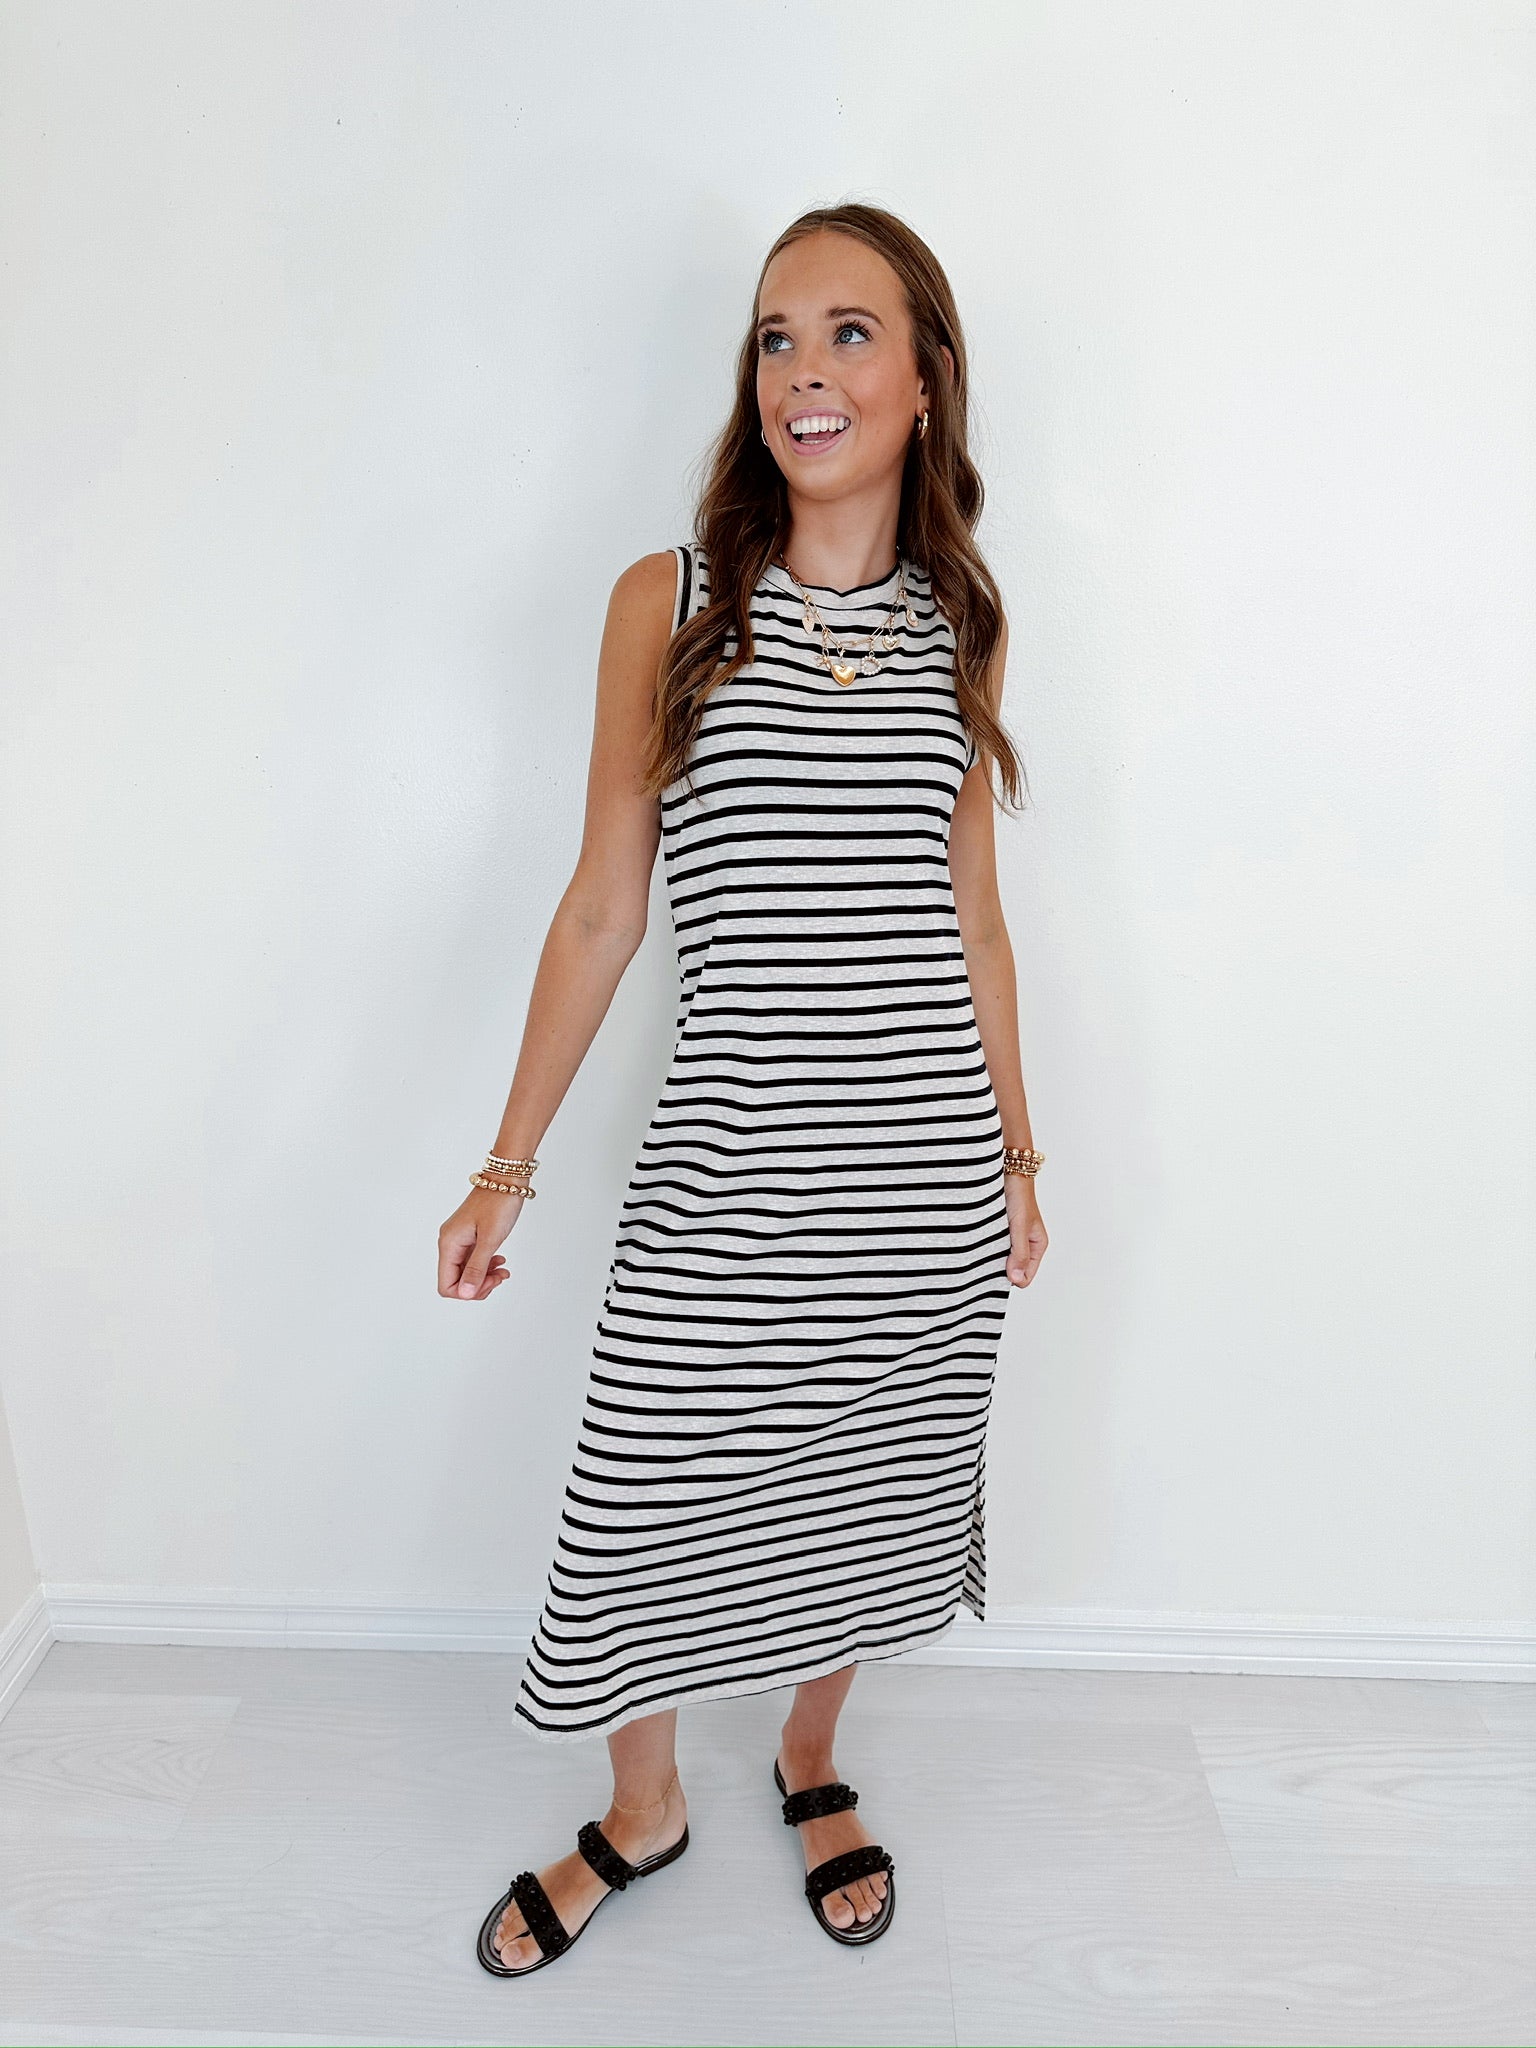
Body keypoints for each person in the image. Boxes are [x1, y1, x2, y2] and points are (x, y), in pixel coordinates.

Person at [438, 201, 1048, 1976]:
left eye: (851, 332)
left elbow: (975, 921)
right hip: (726, 1183)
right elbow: (602, 906)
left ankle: (806, 1757)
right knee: (637, 1498)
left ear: (926, 381)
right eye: (778, 336)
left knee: (871, 1494)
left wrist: (1017, 1158)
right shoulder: (676, 603)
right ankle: (643, 1808)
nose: (804, 372)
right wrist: (504, 1164)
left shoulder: (963, 623)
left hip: (918, 1188)